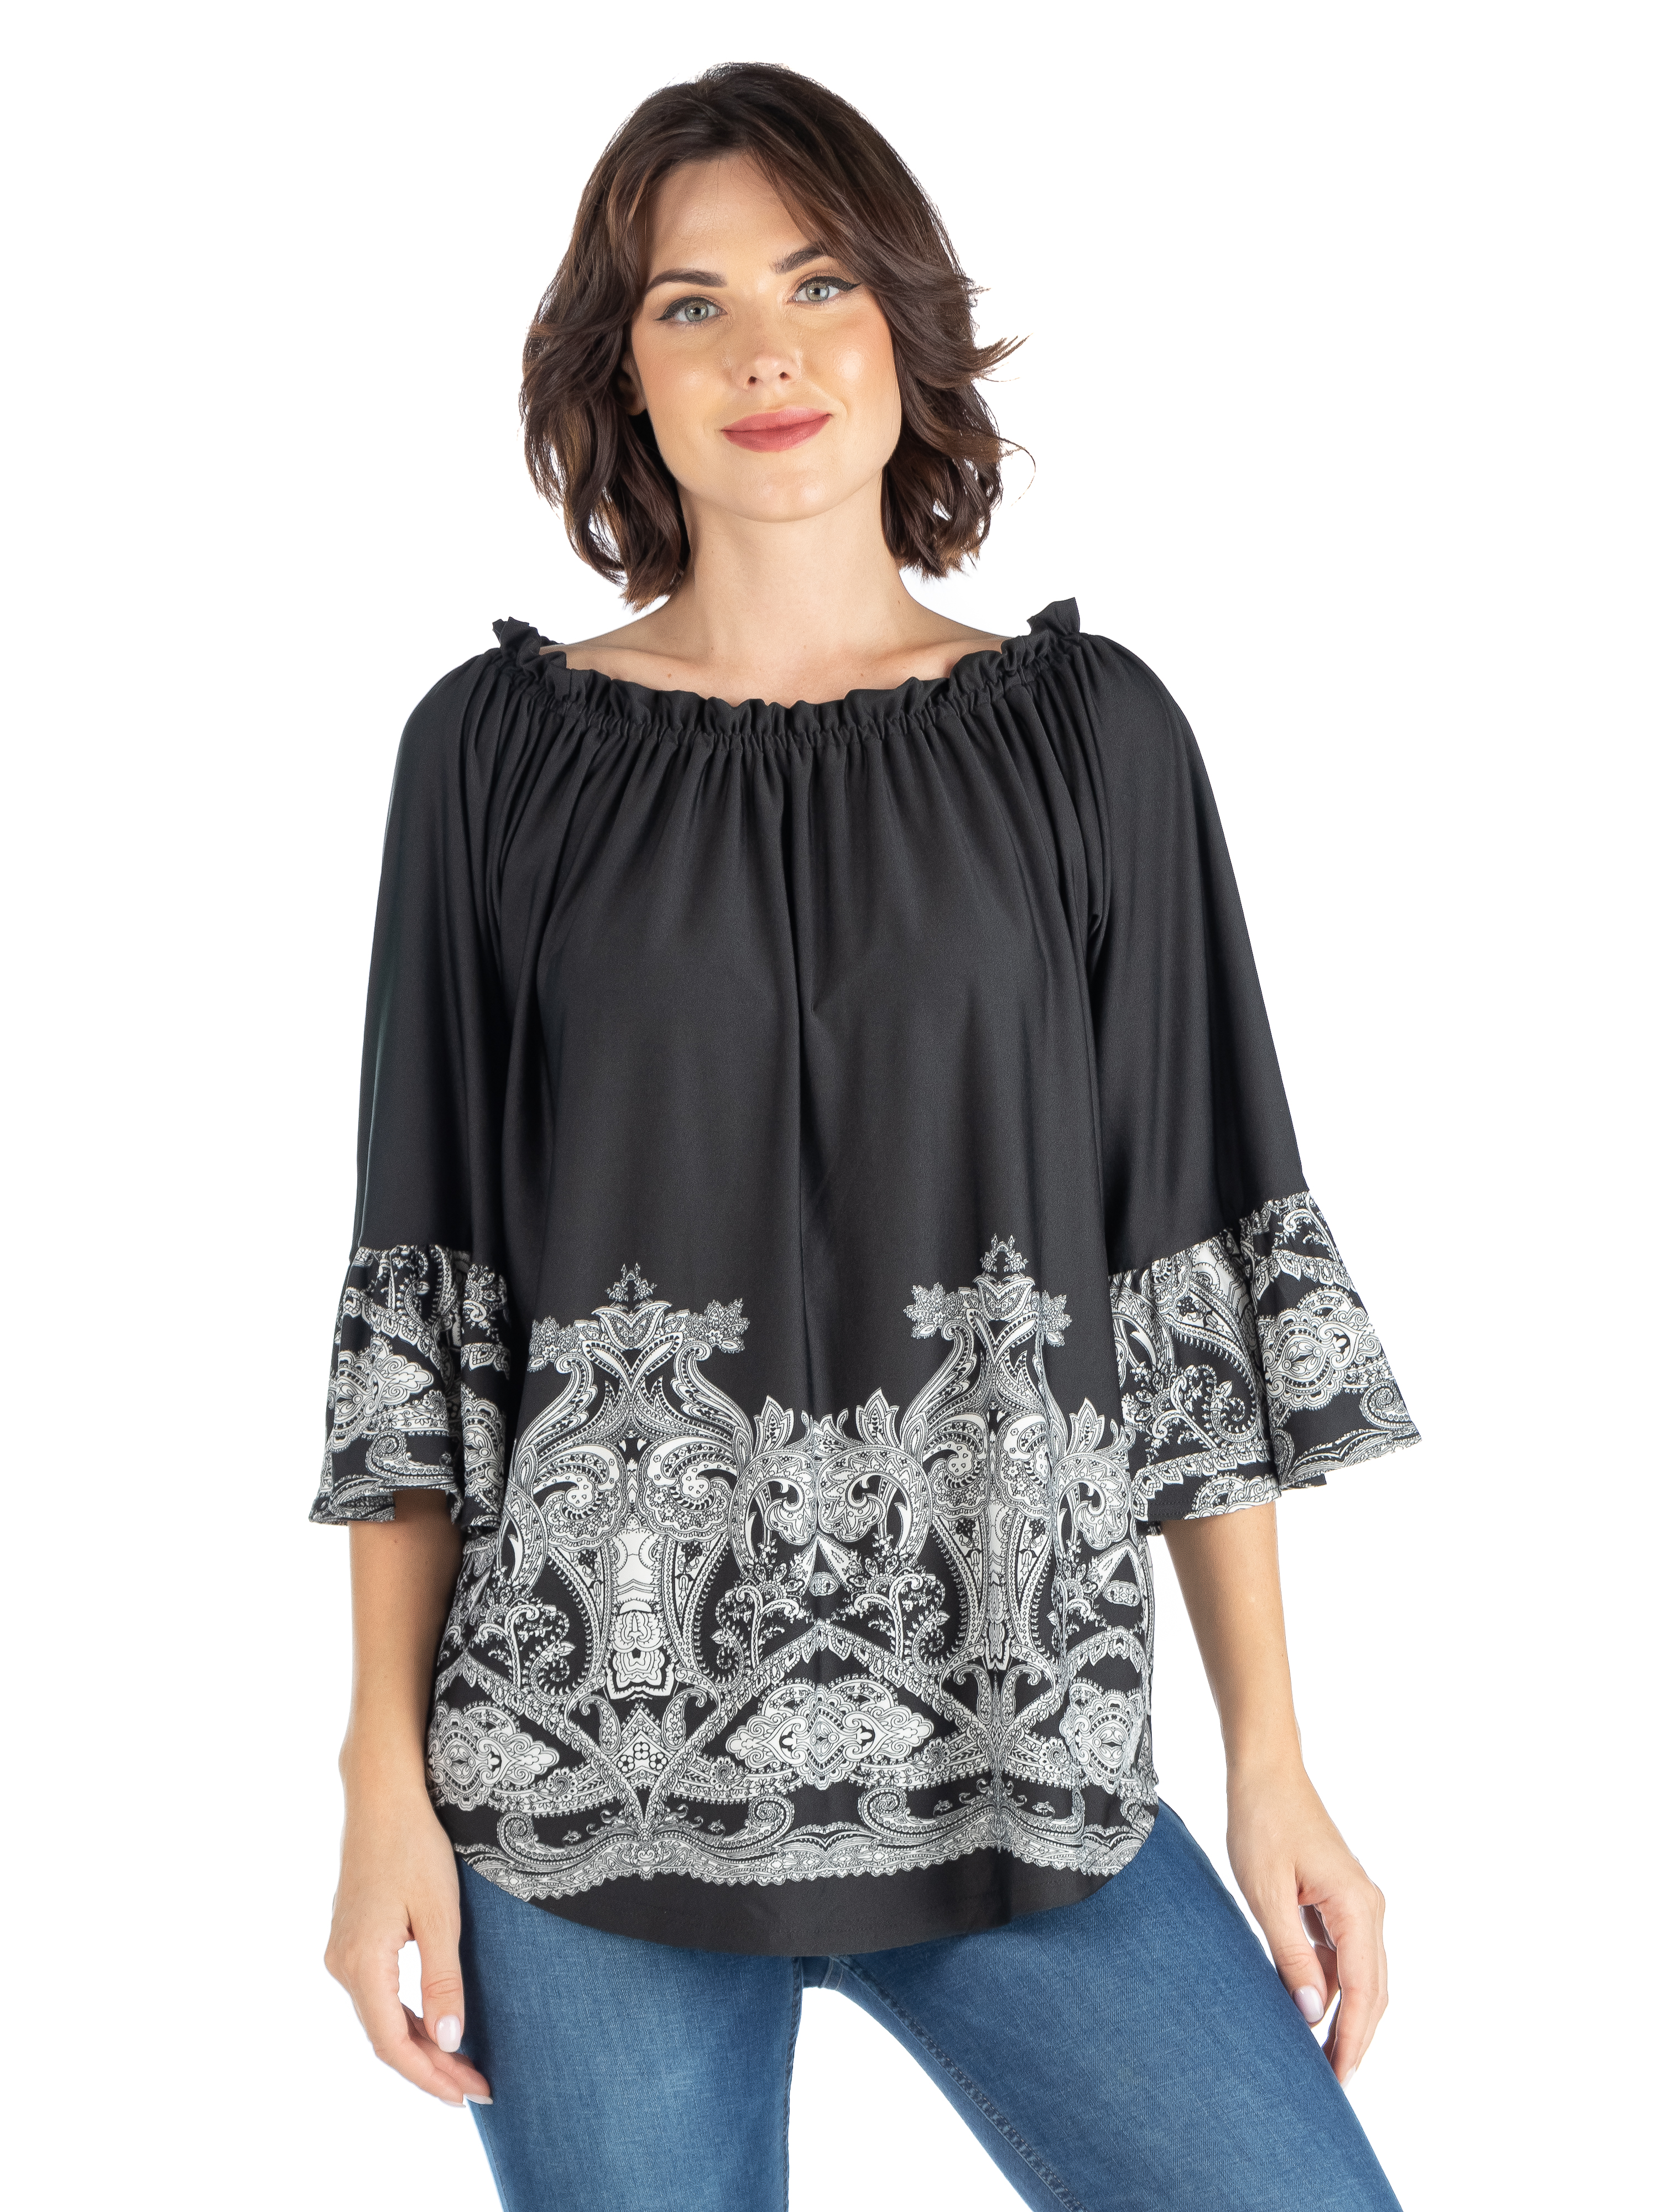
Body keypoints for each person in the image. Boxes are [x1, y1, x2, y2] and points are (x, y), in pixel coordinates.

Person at [314, 61, 1418, 2212]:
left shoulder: (1092, 739)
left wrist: (1273, 1762)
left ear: (907, 328)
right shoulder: (491, 760)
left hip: (1025, 1752)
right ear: (620, 376)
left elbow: (1185, 1270)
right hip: (581, 1791)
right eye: (692, 305)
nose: (767, 353)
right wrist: (377, 1789)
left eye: (818, 285)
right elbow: (426, 1302)